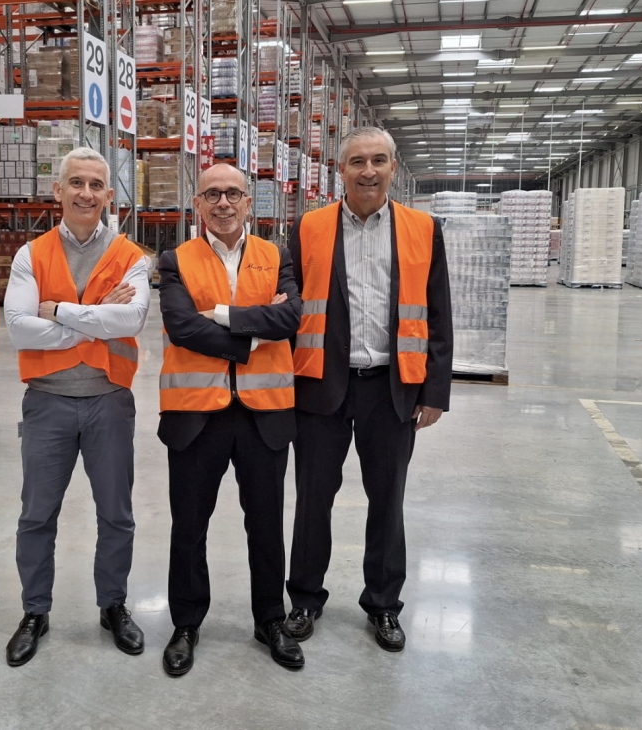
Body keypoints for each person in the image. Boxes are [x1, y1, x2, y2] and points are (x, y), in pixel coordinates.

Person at [283, 127, 453, 653]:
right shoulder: (308, 227)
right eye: (357, 161)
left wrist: (434, 390)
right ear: (341, 171)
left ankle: (383, 604)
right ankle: (306, 598)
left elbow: (440, 312)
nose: (368, 170)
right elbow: (289, 309)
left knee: (388, 500)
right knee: (313, 500)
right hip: (320, 387)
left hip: (392, 388)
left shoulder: (423, 228)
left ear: (393, 168)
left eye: (379, 160)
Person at [2, 147, 151, 667]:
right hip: (48, 406)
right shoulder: (32, 254)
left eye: (96, 185)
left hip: (110, 403)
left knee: (117, 515)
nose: (86, 193)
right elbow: (18, 326)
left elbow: (129, 322)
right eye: (76, 183)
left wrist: (61, 313)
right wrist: (92, 320)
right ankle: (34, 611)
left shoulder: (132, 255)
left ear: (110, 195)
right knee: (36, 515)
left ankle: (113, 606)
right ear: (59, 191)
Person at [156, 163, 304, 676]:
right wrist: (254, 333)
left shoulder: (276, 254)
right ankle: (186, 623)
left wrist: (218, 316)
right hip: (196, 416)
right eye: (212, 194)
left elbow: (291, 319)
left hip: (265, 417)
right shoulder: (175, 259)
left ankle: (270, 620)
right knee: (189, 527)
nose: (223, 203)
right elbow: (180, 328)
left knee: (266, 526)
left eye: (233, 194)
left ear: (248, 202)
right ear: (197, 204)